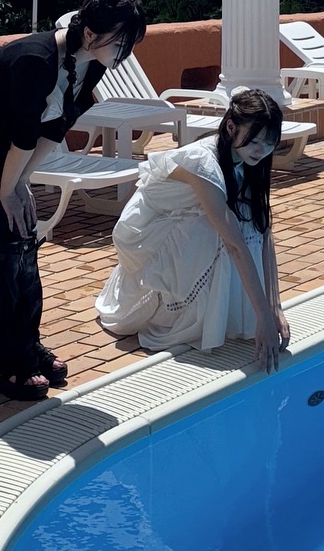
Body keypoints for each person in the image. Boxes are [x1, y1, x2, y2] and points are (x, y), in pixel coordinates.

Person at [0, 0, 148, 400]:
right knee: (3, 238)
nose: (125, 53)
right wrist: (8, 190)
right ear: (91, 33)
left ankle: (25, 346)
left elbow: (54, 128)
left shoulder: (91, 63)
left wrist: (20, 182)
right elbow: (24, 136)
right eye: (121, 43)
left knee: (24, 234)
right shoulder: (36, 59)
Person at [96, 87, 291, 371]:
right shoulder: (203, 163)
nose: (261, 151)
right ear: (231, 127)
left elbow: (264, 231)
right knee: (219, 232)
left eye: (270, 143)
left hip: (181, 222)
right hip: (146, 235)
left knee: (246, 220)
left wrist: (274, 307)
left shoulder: (248, 159)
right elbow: (235, 245)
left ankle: (220, 313)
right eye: (255, 141)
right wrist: (262, 316)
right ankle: (179, 317)